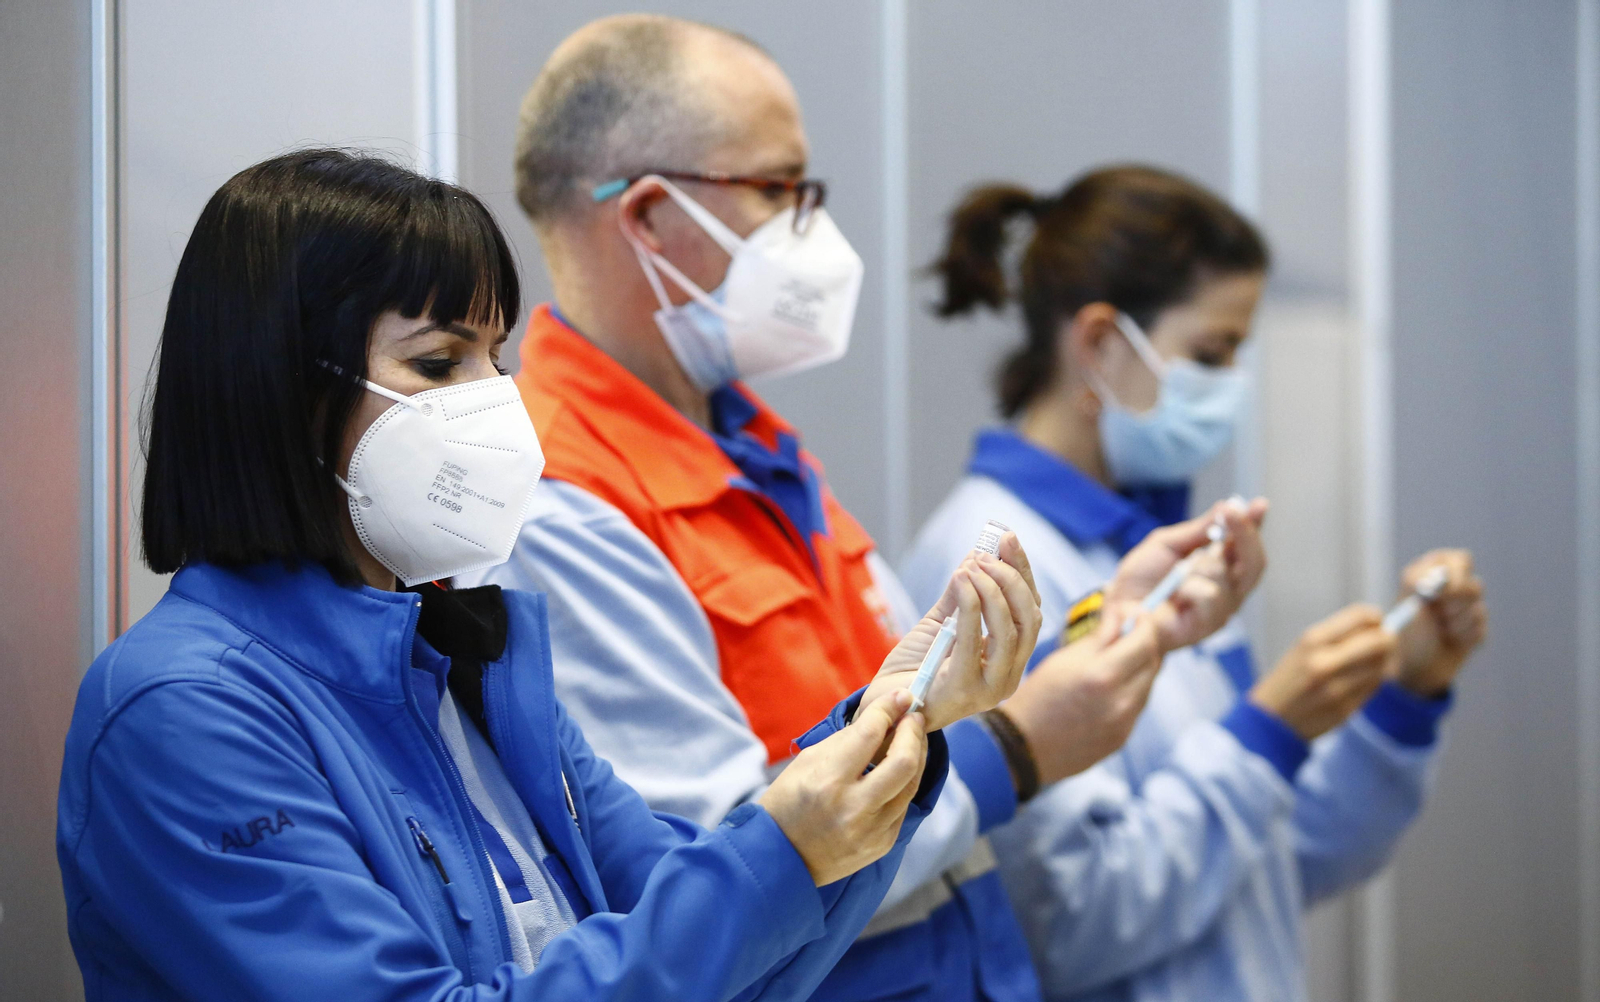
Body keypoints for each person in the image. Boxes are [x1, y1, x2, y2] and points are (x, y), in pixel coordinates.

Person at [53, 148, 1049, 1002]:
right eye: (440, 365)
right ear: (280, 396)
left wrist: (899, 718)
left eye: (495, 355)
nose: (497, 400)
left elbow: (732, 960)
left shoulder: (467, 658)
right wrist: (783, 851)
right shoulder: (179, 712)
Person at [464, 16, 1265, 1002]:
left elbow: (928, 700)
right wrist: (1015, 749)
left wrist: (1113, 625)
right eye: (776, 188)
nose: (810, 227)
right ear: (650, 217)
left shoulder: (757, 452)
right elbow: (722, 866)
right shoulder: (559, 498)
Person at [900, 165, 1490, 1002]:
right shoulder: (989, 569)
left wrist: (1402, 696)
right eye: (1211, 353)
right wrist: (1267, 732)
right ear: (1101, 344)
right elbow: (1065, 923)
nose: (1232, 388)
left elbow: (1268, 865)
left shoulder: (1153, 554)